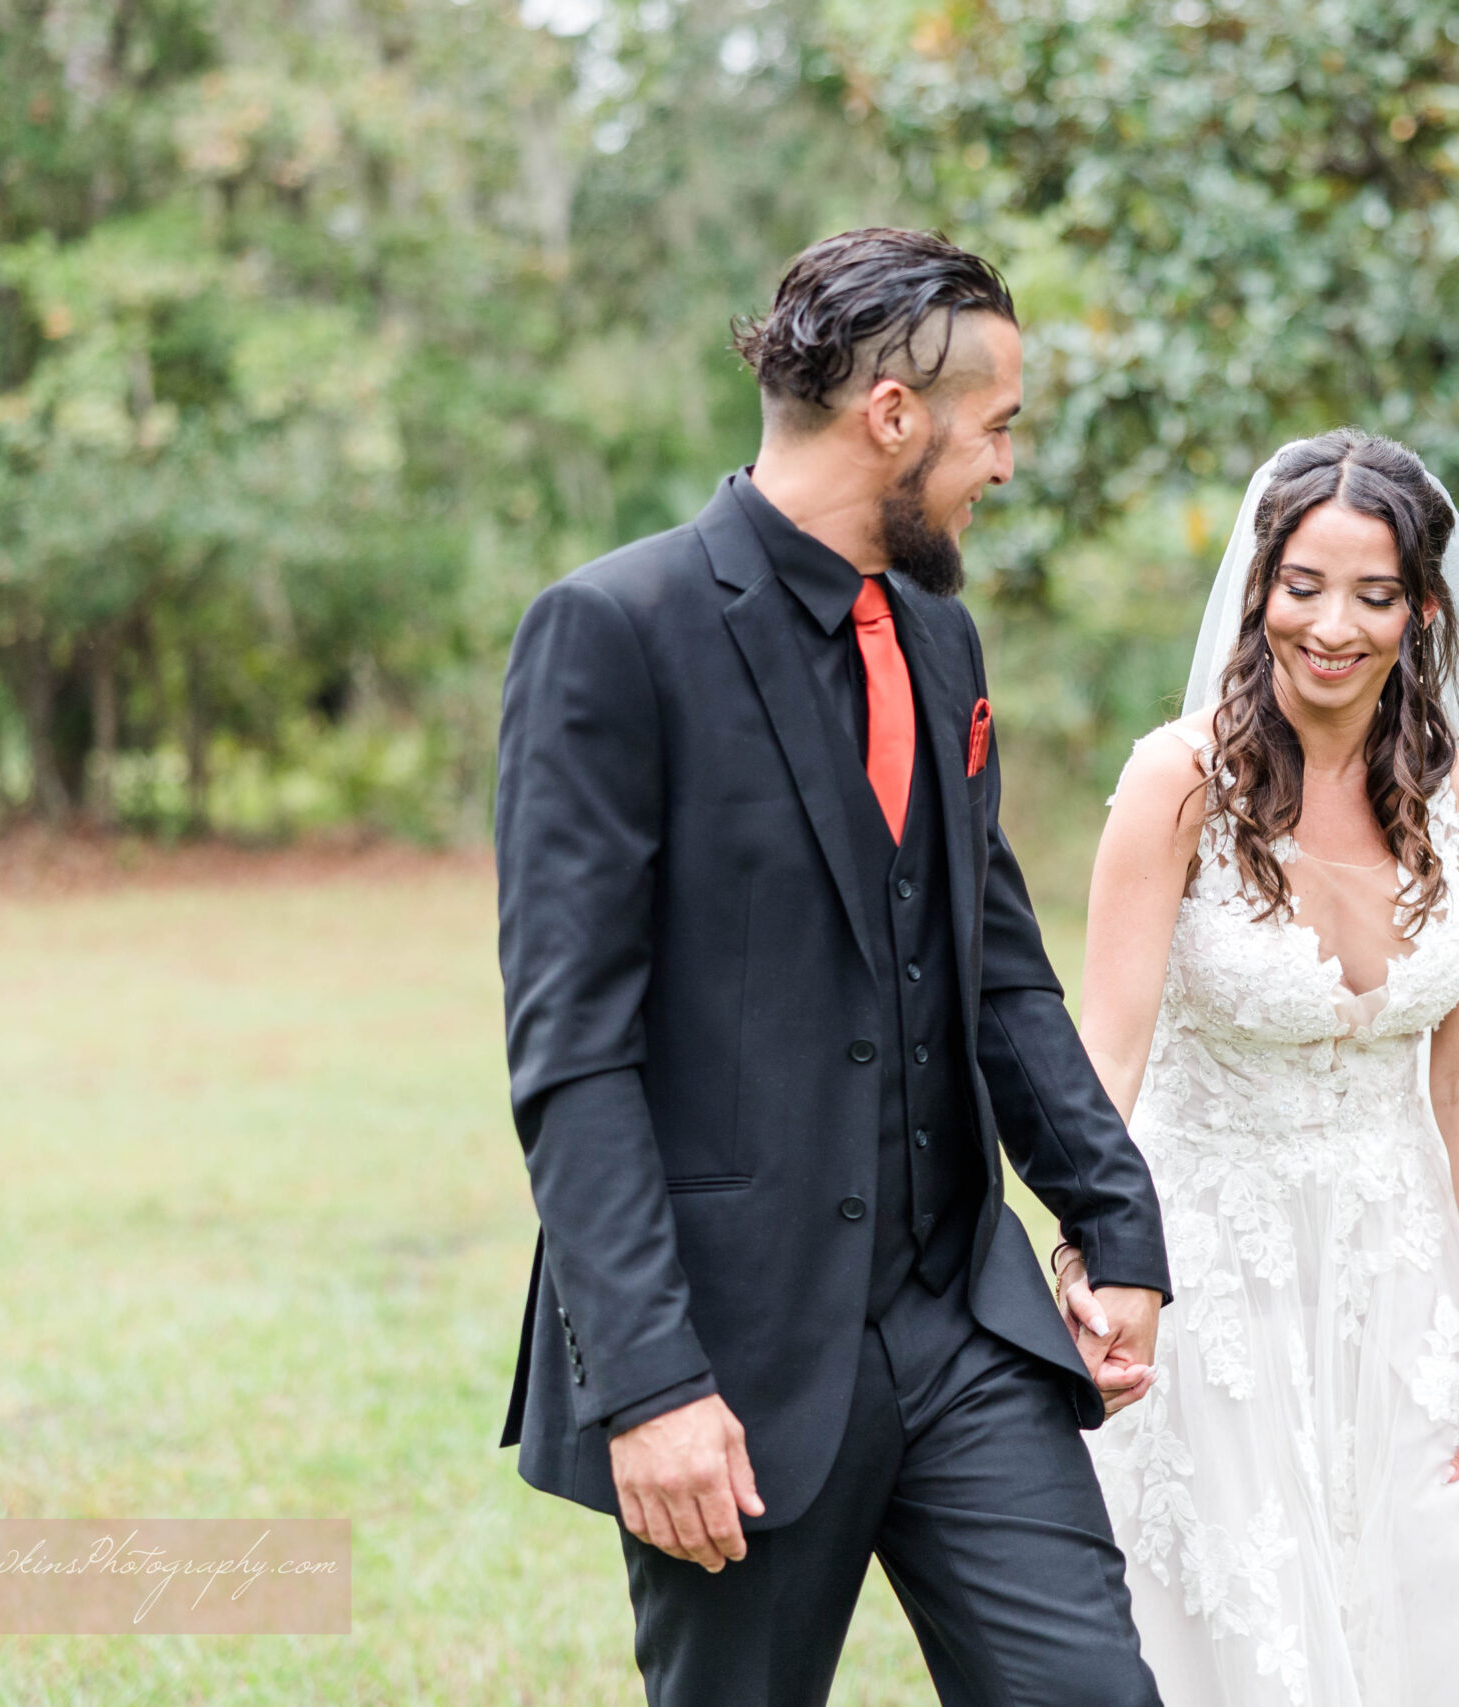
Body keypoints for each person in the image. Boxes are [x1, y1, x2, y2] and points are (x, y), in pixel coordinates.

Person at [492, 227, 1171, 1707]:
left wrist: (1116, 1222)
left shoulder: (939, 635)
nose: (1002, 465)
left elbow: (996, 964)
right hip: (730, 1352)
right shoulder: (613, 634)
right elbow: (573, 1056)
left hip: (960, 1325)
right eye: (994, 428)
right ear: (892, 417)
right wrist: (652, 1383)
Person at [1068, 430, 1459, 1705]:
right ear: (1261, 586)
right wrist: (1087, 1257)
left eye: (1373, 594)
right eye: (1304, 585)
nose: (1332, 624)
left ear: (1421, 609)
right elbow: (1106, 1052)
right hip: (1207, 1270)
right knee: (1254, 1640)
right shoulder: (1180, 782)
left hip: (1401, 1270)